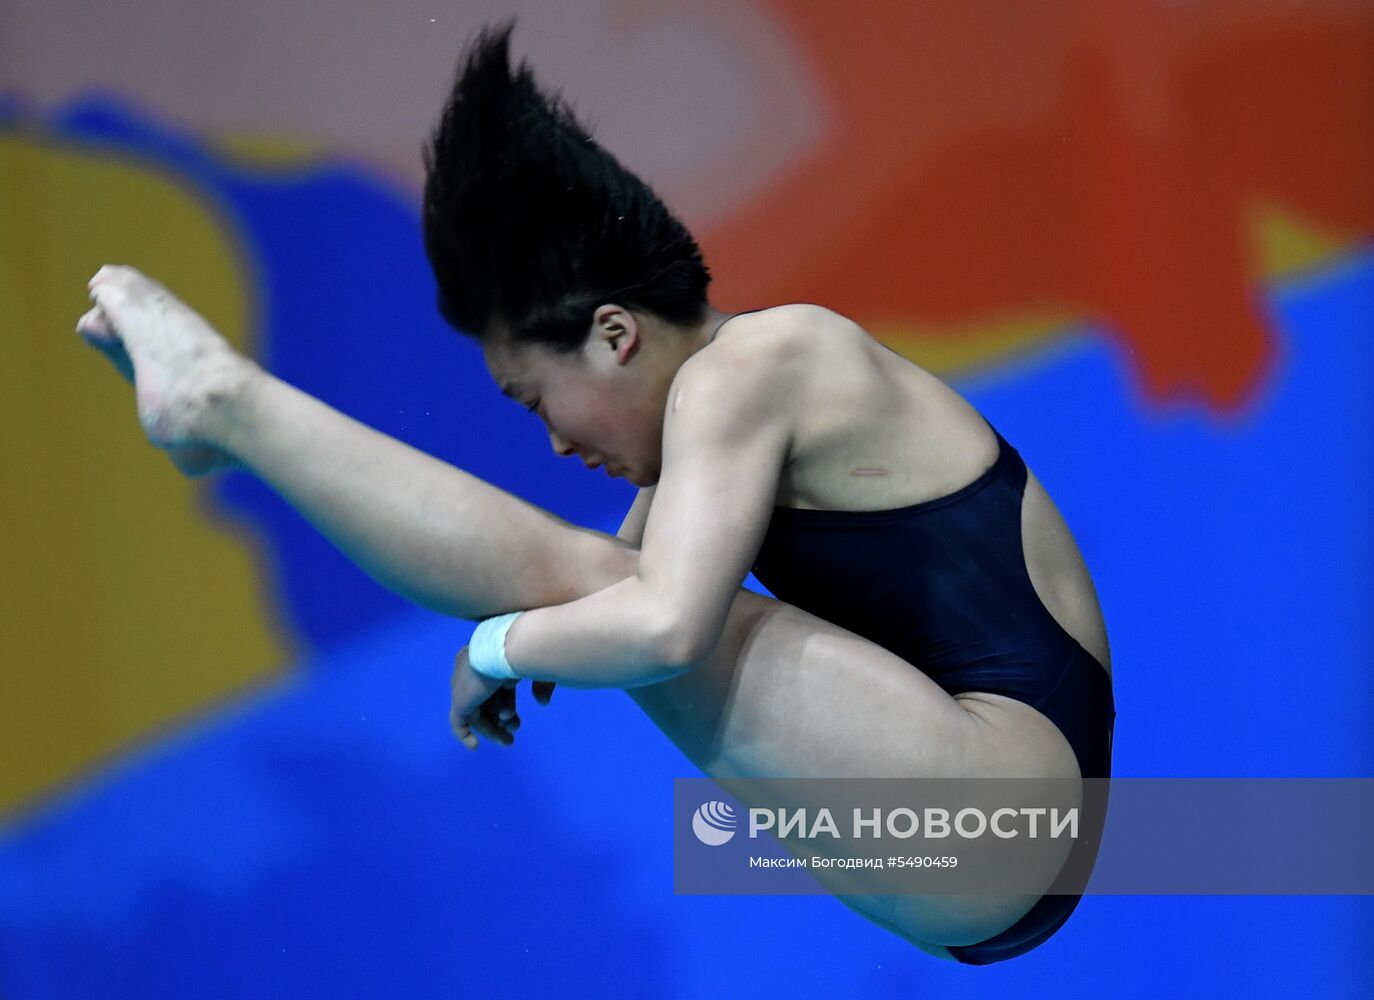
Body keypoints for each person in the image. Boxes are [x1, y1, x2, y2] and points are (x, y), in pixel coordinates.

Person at [75, 19, 1114, 965]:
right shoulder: (727, 408)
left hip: (1003, 809)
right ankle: (229, 413)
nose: (558, 442)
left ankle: (229, 406)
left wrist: (495, 648)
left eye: (537, 401)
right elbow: (596, 599)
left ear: (615, 335)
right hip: (1000, 839)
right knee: (581, 577)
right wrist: (526, 630)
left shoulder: (759, 363)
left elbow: (658, 625)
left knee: (584, 579)